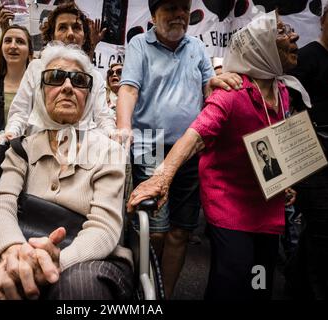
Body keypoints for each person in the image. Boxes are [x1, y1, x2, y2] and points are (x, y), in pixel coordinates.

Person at [127, 11, 308, 300]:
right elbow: (195, 136)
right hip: (231, 206)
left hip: (267, 205)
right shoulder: (232, 92)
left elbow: (273, 141)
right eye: (283, 32)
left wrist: (285, 179)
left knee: (259, 282)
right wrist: (160, 178)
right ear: (262, 45)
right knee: (232, 280)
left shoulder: (283, 91)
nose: (295, 36)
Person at [0, 43, 132, 300]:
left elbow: (104, 229)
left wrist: (55, 263)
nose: (67, 87)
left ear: (88, 95)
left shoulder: (109, 151)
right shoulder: (21, 149)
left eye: (79, 81)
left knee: (78, 292)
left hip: (91, 258)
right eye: (55, 78)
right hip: (22, 247)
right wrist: (13, 253)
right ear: (41, 92)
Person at [115, 0, 242, 299]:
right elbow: (129, 88)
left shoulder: (196, 47)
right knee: (154, 230)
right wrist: (123, 127)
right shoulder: (138, 45)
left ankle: (164, 296)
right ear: (154, 14)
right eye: (171, 8)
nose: (179, 15)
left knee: (181, 232)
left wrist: (216, 81)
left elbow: (209, 83)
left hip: (190, 149)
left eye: (183, 8)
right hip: (148, 144)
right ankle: (142, 293)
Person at [4, 2, 115, 140]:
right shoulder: (36, 68)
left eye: (76, 28)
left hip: (82, 153)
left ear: (85, 36)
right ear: (52, 36)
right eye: (62, 27)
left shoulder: (94, 76)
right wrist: (12, 133)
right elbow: (20, 112)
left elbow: (103, 117)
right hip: (38, 153)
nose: (70, 34)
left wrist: (112, 134)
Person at [288, 0, 328, 299]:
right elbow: (289, 112)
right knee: (326, 228)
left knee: (320, 227)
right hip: (313, 156)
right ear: (322, 21)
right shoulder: (305, 58)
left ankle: (296, 283)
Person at [0, 25, 33, 195]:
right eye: (8, 40)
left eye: (20, 41)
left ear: (30, 51)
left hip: (27, 159)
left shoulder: (39, 87)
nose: (13, 46)